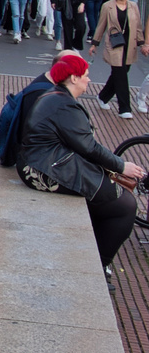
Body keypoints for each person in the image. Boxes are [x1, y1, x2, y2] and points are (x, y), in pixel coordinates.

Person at [17, 53, 146, 286]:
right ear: (73, 78)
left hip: (40, 164)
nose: (89, 80)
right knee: (126, 205)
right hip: (44, 170)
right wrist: (121, 165)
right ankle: (100, 265)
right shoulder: (64, 105)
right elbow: (90, 148)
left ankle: (95, 254)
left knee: (110, 198)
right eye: (85, 76)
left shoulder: (56, 97)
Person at [88, 0, 144, 118]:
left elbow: (137, 26)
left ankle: (103, 96)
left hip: (129, 45)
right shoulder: (107, 6)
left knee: (121, 72)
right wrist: (95, 44)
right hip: (114, 44)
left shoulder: (133, 6)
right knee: (120, 75)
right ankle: (124, 108)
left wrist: (142, 43)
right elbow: (101, 26)